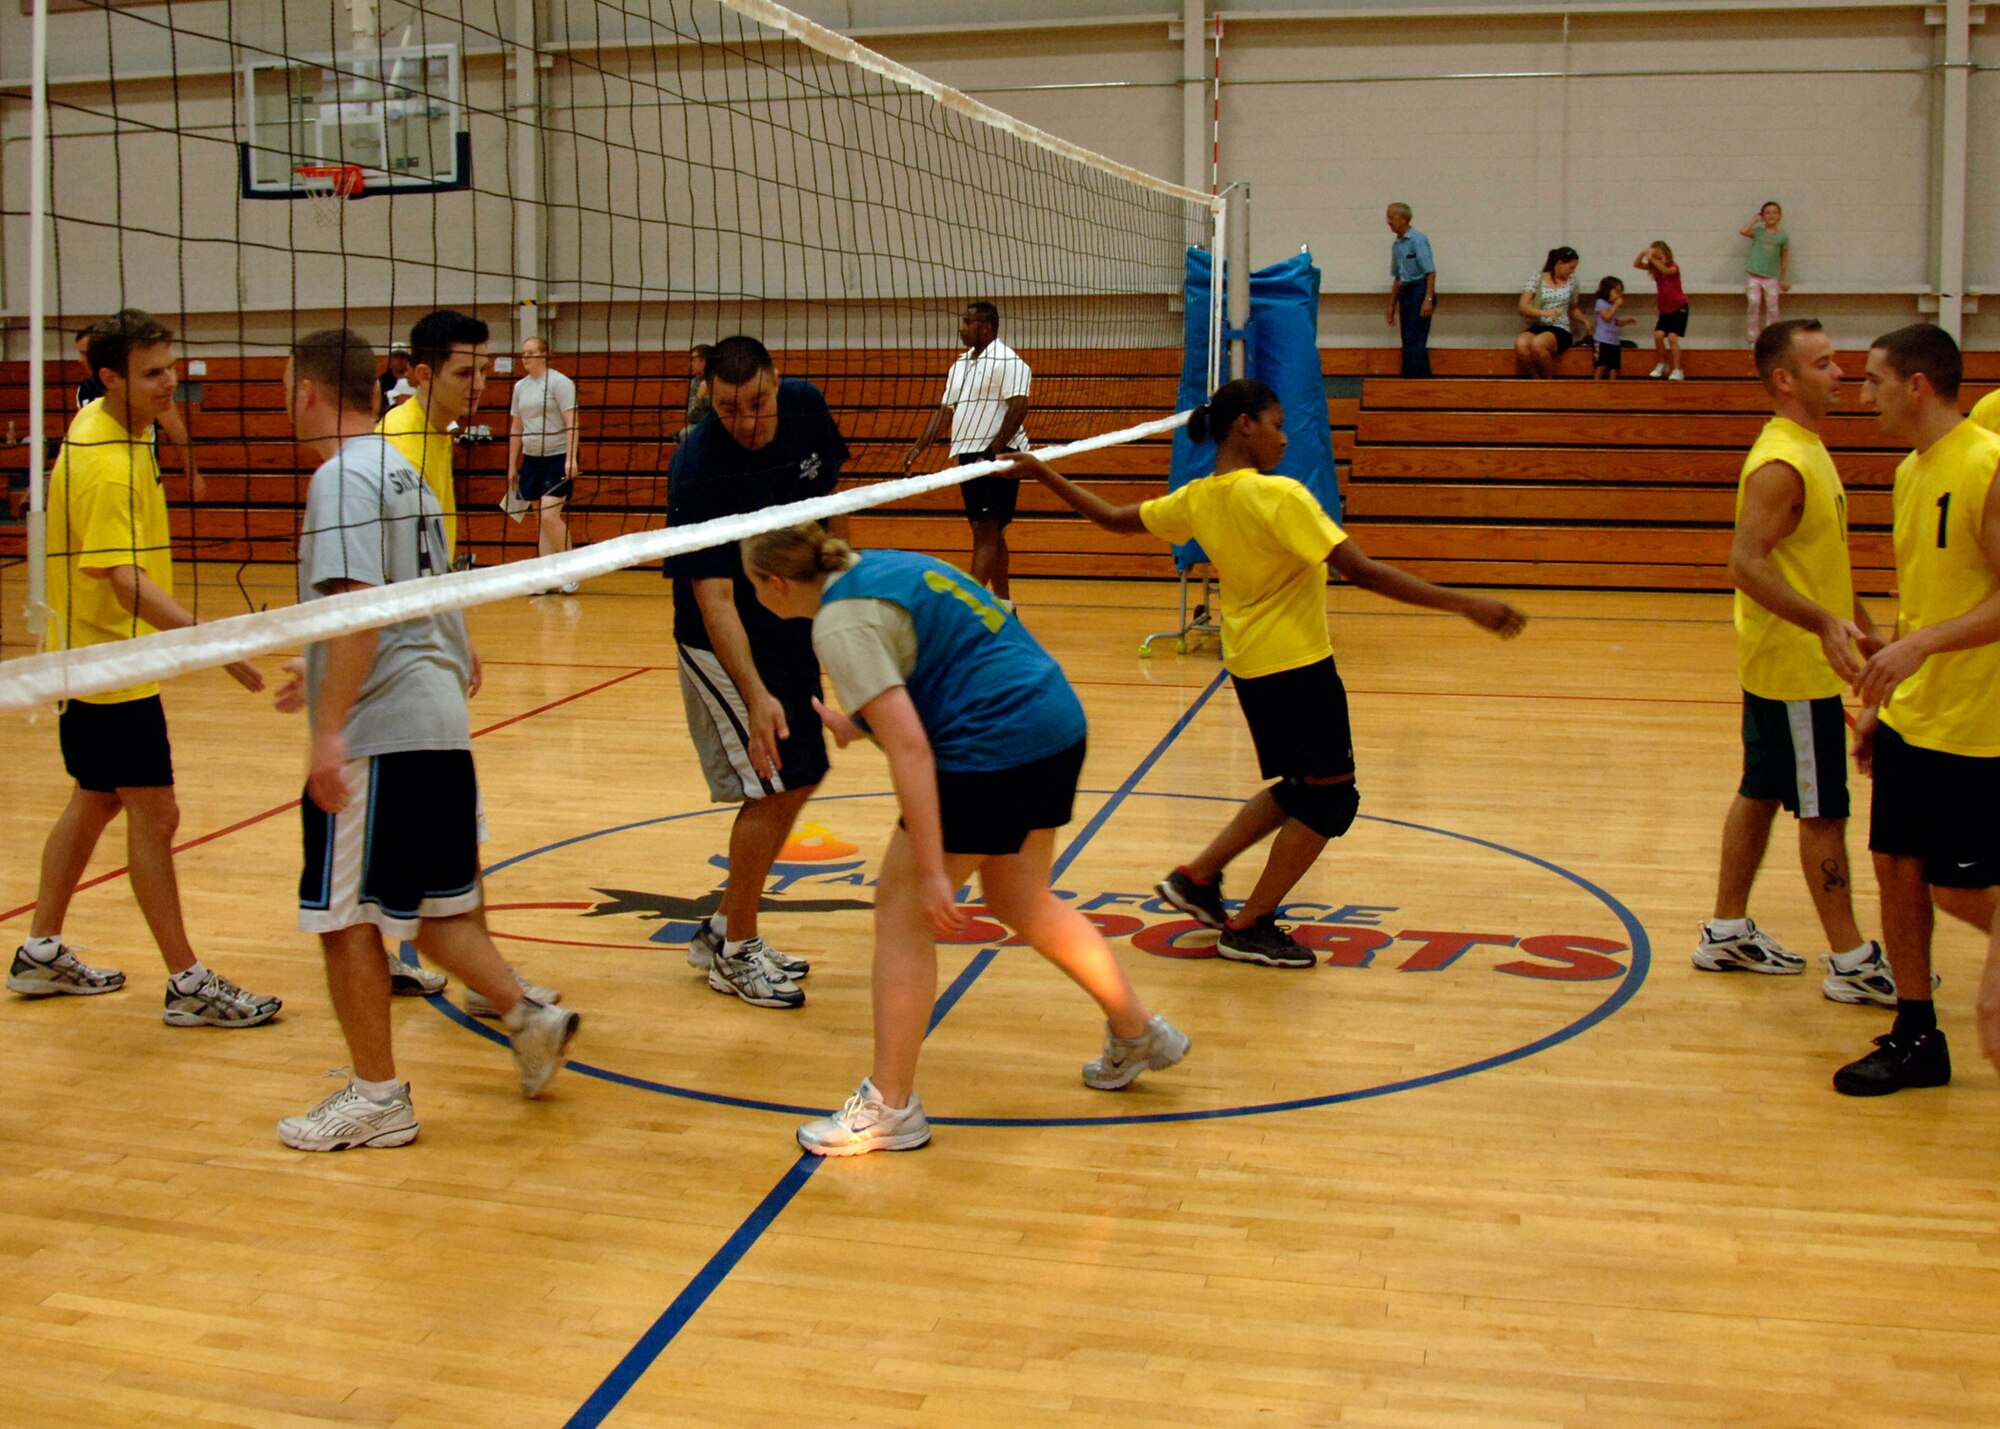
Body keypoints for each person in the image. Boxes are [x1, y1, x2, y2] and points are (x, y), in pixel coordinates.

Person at [1005, 380, 1526, 967]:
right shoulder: (1281, 496)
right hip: (1298, 665)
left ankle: (1197, 878)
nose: (1285, 436)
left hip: (1253, 665)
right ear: (1244, 425)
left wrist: (1040, 472)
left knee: (1301, 789)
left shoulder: (1199, 498)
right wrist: (1465, 604)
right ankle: (1250, 924)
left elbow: (1111, 518)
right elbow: (1361, 572)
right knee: (1332, 802)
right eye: (1277, 424)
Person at [742, 526, 1189, 1155]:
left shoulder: (838, 624)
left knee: (901, 915)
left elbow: (911, 747)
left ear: (775, 583)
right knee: (1021, 899)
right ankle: (1137, 1030)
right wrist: (857, 722)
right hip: (1052, 721)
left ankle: (889, 1107)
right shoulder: (886, 561)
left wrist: (930, 868)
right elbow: (956, 657)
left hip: (993, 749)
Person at [275, 328, 581, 1150]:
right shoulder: (399, 467)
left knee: (344, 920)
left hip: (382, 730)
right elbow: (419, 596)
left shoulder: (342, 476)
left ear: (306, 390)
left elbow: (363, 609)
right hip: (436, 717)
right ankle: (529, 1017)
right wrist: (326, 669)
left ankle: (378, 1096)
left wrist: (328, 730)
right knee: (441, 914)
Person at [7, 309, 282, 1028]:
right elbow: (122, 579)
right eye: (154, 373)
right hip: (109, 665)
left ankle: (39, 951)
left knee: (96, 799)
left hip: (100, 660)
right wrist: (210, 643)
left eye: (172, 367)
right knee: (155, 815)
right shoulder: (101, 459)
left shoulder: (128, 430)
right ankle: (188, 983)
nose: (171, 384)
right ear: (109, 378)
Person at [1696, 319, 1898, 1006]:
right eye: (1825, 362)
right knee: (1823, 811)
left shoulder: (1809, 448)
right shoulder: (1781, 461)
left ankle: (1725, 930)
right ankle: (1851, 958)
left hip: (1786, 661)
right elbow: (1743, 565)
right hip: (1795, 668)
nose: (1840, 372)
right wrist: (1822, 625)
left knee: (1760, 790)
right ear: (1785, 379)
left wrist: (1875, 638)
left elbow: (1822, 569)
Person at [1837, 323, 2000, 1095]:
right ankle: (1916, 1033)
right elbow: (1920, 600)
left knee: (1960, 887)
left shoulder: (1987, 465)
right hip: (1916, 712)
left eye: (1871, 380)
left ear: (1916, 385)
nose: (1860, 394)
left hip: (1978, 721)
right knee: (1895, 867)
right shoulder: (1909, 472)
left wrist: (1924, 647)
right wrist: (1886, 694)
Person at [664, 335, 848, 1008]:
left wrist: (840, 604)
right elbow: (712, 599)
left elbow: (825, 512)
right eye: (727, 408)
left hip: (787, 615)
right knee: (771, 783)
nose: (745, 421)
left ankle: (720, 928)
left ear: (777, 379)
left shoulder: (805, 407)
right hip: (723, 640)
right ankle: (736, 953)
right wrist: (757, 696)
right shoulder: (699, 462)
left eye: (756, 403)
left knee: (805, 772)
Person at [900, 302, 1031, 598]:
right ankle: (1004, 605)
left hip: (1000, 455)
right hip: (969, 456)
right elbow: (946, 410)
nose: (962, 328)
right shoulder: (959, 364)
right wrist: (918, 447)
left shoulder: (1009, 361)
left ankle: (971, 608)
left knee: (986, 531)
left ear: (986, 326)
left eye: (967, 322)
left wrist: (993, 450)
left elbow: (1020, 405)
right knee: (988, 531)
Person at [380, 308, 488, 571]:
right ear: (425, 376)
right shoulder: (402, 443)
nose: (479, 384)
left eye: (483, 370)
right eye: (464, 374)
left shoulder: (438, 428)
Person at [507, 336, 581, 593]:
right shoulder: (520, 387)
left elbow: (572, 421)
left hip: (557, 456)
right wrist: (511, 464)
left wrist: (571, 458)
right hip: (531, 458)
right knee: (540, 518)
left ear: (544, 355)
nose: (525, 357)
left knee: (550, 515)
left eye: (530, 353)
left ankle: (570, 570)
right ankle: (547, 577)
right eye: (523, 353)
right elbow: (516, 426)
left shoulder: (560, 383)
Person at [1514, 247, 1586, 378]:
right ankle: (1536, 380)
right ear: (1559, 264)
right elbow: (1523, 306)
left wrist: (1586, 321)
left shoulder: (1572, 281)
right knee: (1521, 344)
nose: (1572, 271)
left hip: (1560, 327)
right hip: (1539, 324)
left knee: (1538, 344)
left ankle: (1549, 380)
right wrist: (1545, 313)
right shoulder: (1537, 278)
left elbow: (1573, 307)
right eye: (1570, 267)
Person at [1384, 203, 1436, 378]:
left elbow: (1430, 272)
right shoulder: (1397, 245)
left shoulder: (1418, 240)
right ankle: (1425, 380)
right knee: (1409, 340)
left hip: (1420, 292)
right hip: (1406, 293)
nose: (1388, 222)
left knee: (1414, 339)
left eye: (1391, 217)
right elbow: (1398, 278)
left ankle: (1408, 380)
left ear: (1403, 219)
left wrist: (1428, 299)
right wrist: (1391, 305)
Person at [1634, 241, 1689, 380]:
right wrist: (1643, 253)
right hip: (1665, 309)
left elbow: (1666, 271)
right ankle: (1662, 363)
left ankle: (1677, 369)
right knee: (1658, 335)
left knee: (1672, 338)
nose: (1658, 261)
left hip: (1679, 307)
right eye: (1656, 258)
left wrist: (1652, 258)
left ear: (1667, 255)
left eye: (1660, 257)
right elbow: (1637, 264)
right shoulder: (1656, 271)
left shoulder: (1673, 267)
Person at [1740, 202, 1791, 346]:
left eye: (1775, 213)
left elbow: (1785, 258)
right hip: (1754, 275)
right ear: (1763, 215)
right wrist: (1755, 219)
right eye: (1767, 213)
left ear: (1780, 216)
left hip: (1771, 277)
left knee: (1773, 308)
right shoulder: (1758, 232)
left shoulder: (1783, 237)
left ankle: (1771, 339)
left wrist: (1782, 279)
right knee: (1754, 304)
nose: (1771, 215)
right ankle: (1752, 338)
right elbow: (1743, 231)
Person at [1591, 276, 1636, 381]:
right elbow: (1607, 317)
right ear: (1607, 291)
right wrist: (1615, 306)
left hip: (1614, 341)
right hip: (1602, 340)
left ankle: (1612, 388)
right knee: (1601, 366)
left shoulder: (1612, 306)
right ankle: (1596, 387)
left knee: (1614, 368)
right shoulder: (1600, 302)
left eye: (1621, 293)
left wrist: (1626, 322)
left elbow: (1614, 322)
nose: (1619, 296)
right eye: (1617, 292)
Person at [682, 343, 714, 434]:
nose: (691, 364)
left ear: (704, 361)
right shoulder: (695, 382)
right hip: (703, 424)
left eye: (693, 359)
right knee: (686, 433)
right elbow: (691, 417)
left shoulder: (722, 380)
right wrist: (699, 398)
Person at [377, 342, 415, 412]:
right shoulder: (382, 381)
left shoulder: (415, 380)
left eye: (402, 357)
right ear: (390, 359)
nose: (399, 361)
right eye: (396, 357)